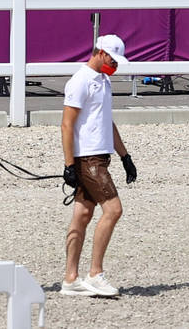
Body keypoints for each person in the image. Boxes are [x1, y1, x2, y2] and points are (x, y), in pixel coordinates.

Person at [59, 34, 138, 297]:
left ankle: (70, 278)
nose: (114, 66)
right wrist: (69, 164)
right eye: (112, 60)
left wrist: (125, 156)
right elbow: (67, 124)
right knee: (114, 210)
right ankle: (95, 273)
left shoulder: (104, 81)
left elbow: (106, 121)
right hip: (90, 160)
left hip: (101, 157)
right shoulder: (81, 81)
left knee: (82, 215)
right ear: (100, 53)